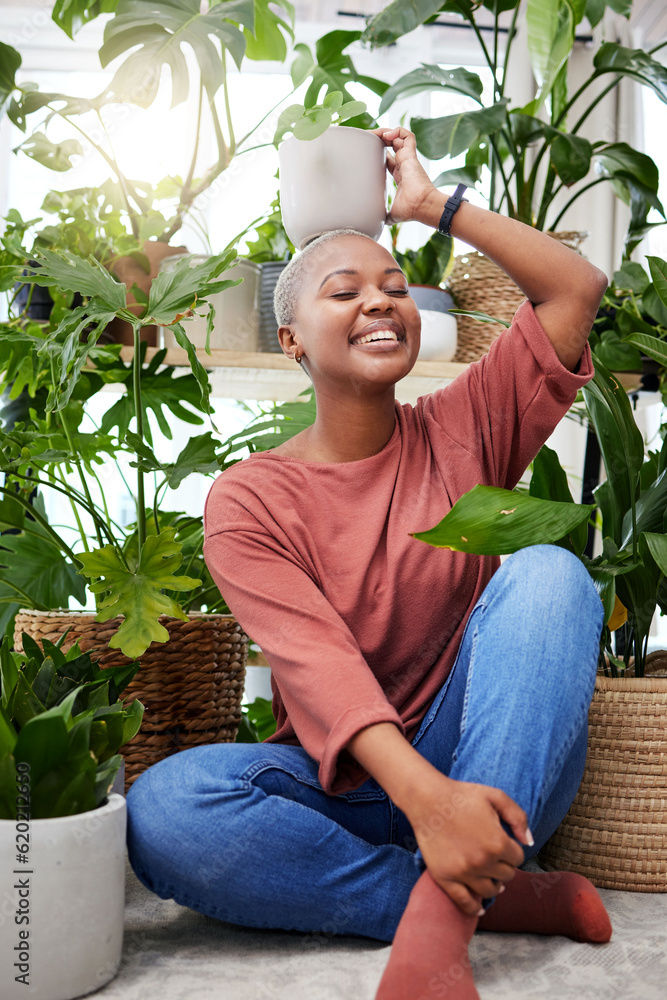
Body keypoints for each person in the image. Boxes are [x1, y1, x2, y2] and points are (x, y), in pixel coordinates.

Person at [126, 126, 612, 1000]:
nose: (380, 302)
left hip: (484, 762)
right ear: (291, 342)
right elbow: (322, 676)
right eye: (343, 291)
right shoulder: (250, 500)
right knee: (166, 811)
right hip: (342, 789)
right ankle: (480, 894)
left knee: (547, 574)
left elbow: (574, 286)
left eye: (395, 287)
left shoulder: (466, 425)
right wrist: (429, 810)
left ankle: (438, 924)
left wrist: (432, 206)